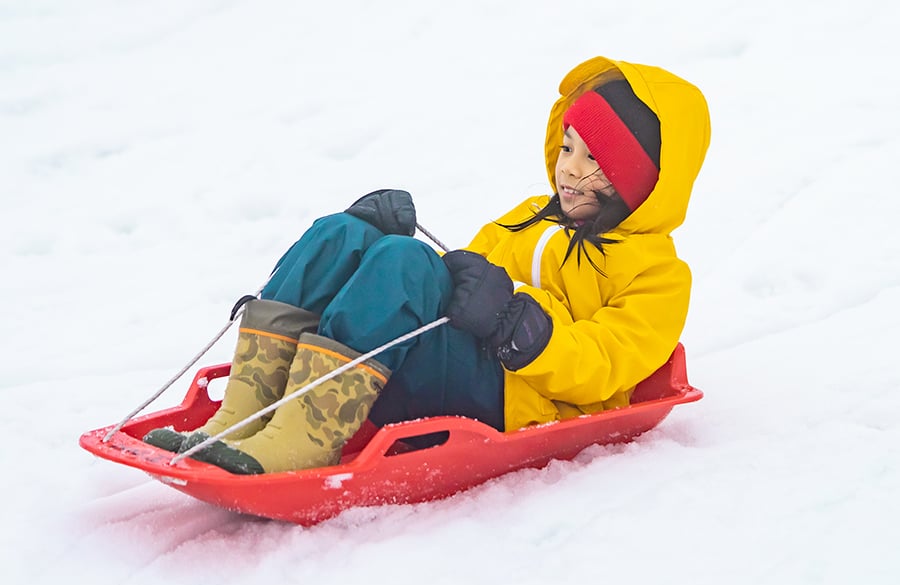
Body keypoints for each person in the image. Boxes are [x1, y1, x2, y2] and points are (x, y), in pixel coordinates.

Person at [143, 55, 711, 475]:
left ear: (638, 180)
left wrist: (518, 328)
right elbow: (454, 286)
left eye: (594, 160)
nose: (569, 170)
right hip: (455, 363)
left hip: (512, 398)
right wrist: (376, 240)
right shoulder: (529, 218)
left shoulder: (658, 275)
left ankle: (305, 436)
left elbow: (606, 365)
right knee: (342, 235)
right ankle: (246, 408)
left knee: (402, 261)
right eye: (567, 148)